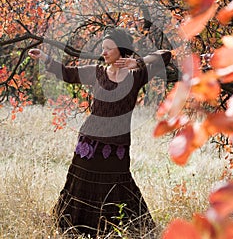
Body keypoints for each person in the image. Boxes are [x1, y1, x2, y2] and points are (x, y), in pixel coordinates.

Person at [28, 27, 171, 238]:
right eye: (103, 48)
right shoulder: (97, 71)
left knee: (118, 185)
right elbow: (67, 73)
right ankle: (75, 230)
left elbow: (165, 55)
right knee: (81, 184)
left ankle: (125, 230)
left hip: (118, 144)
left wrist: (138, 61)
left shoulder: (137, 75)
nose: (103, 52)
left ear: (121, 50)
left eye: (108, 49)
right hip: (89, 142)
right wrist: (45, 57)